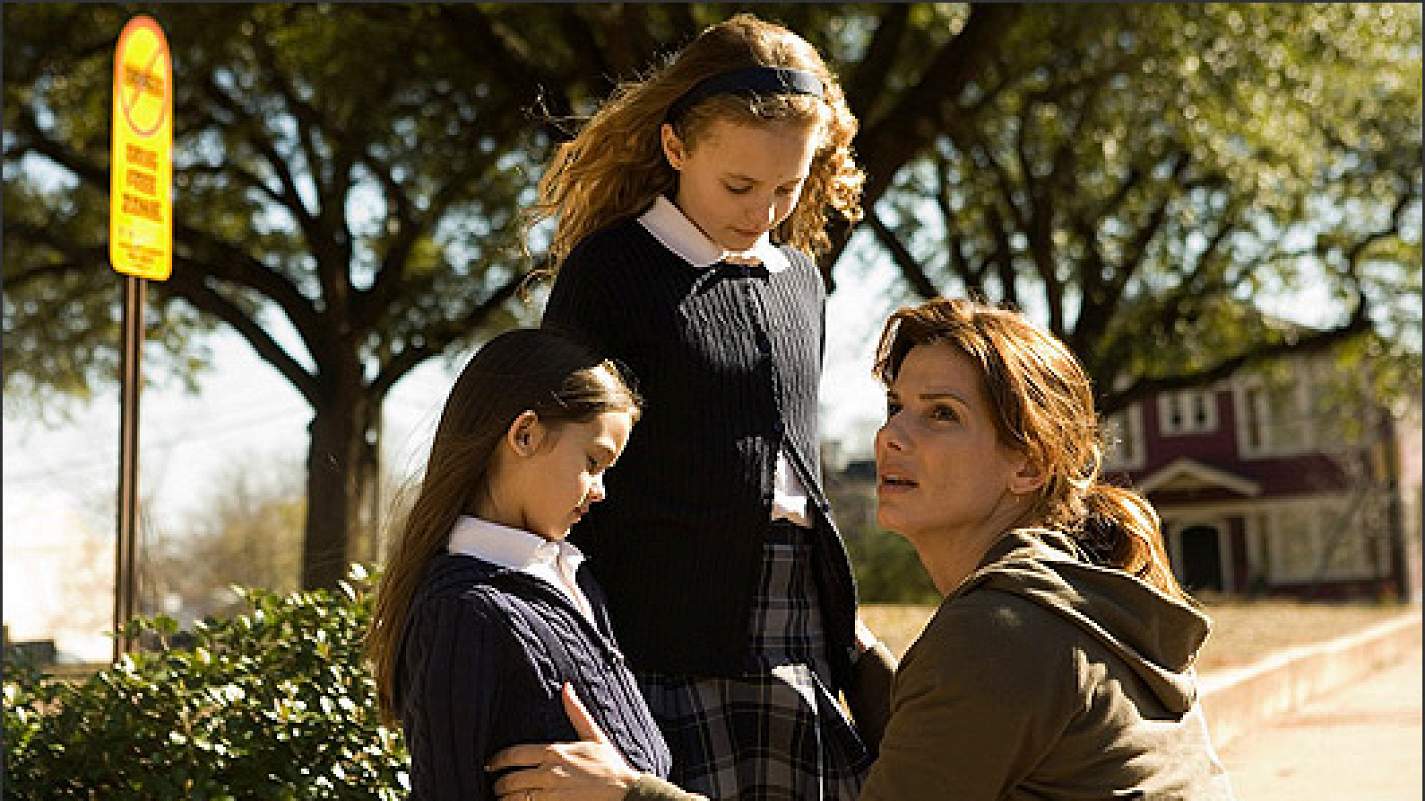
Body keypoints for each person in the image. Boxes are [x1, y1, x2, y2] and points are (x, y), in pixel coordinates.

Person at [491, 297, 1237, 801]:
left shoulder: (1002, 632)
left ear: (1028, 465)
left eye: (941, 415)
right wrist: (849, 641)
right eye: (896, 406)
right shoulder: (1078, 595)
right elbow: (954, 740)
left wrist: (630, 794)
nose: (891, 436)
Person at [532, 12, 875, 801]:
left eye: (787, 189)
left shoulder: (802, 281)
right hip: (659, 631)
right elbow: (559, 458)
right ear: (675, 146)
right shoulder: (610, 269)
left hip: (800, 627)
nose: (762, 212)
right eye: (739, 186)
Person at [364, 328, 690, 801]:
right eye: (593, 462)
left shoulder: (576, 581)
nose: (601, 491)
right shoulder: (461, 612)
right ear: (525, 434)